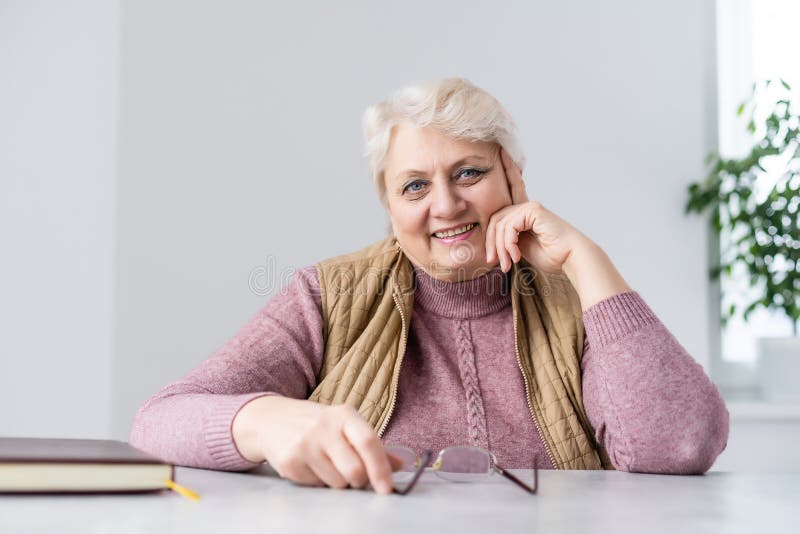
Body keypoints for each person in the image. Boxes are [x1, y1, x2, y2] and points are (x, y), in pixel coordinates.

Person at [129, 78, 729, 495]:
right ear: (388, 203)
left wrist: (587, 260)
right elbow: (158, 422)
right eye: (414, 186)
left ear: (514, 177)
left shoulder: (579, 297)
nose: (445, 205)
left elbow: (678, 446)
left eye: (469, 172)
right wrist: (263, 422)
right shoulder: (328, 295)